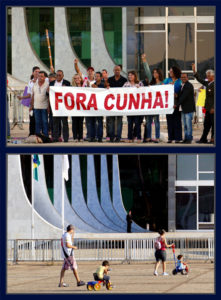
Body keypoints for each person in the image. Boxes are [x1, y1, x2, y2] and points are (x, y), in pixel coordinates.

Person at [192, 64, 214, 144]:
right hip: (208, 108)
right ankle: (203, 139)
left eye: (208, 76)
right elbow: (199, 80)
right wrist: (194, 71)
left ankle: (213, 139)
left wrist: (214, 108)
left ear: (213, 76)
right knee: (206, 125)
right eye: (207, 75)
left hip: (213, 109)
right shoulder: (208, 83)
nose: (207, 77)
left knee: (214, 125)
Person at [74, 59, 95, 140]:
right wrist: (76, 64)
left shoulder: (96, 80)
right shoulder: (85, 79)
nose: (90, 72)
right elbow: (78, 71)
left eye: (91, 71)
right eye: (89, 71)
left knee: (94, 121)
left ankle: (94, 135)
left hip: (95, 103)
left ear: (93, 72)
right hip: (86, 104)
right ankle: (89, 135)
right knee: (87, 121)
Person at [106, 65, 127, 142]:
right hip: (111, 103)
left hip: (120, 104)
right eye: (115, 70)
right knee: (111, 121)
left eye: (118, 70)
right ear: (113, 71)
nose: (117, 71)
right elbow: (106, 88)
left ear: (120, 70)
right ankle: (111, 137)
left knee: (119, 121)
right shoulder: (110, 79)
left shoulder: (124, 80)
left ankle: (118, 137)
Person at [18, 66, 40, 136]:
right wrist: (22, 97)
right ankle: (31, 133)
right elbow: (29, 94)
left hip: (40, 102)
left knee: (39, 119)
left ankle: (39, 133)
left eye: (39, 72)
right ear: (33, 73)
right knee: (32, 118)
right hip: (32, 103)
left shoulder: (42, 80)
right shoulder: (30, 82)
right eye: (36, 72)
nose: (37, 73)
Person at [49, 70, 70, 142]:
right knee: (55, 123)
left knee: (64, 123)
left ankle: (66, 138)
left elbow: (70, 94)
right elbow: (48, 95)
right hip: (55, 106)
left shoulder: (67, 83)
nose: (58, 76)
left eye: (60, 75)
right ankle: (55, 137)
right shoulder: (51, 83)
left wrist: (66, 89)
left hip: (63, 106)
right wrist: (47, 91)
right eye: (57, 75)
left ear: (63, 76)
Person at [123, 71, 144, 143]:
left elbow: (145, 92)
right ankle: (129, 137)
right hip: (129, 107)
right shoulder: (126, 84)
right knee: (130, 123)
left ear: (135, 76)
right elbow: (121, 92)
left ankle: (138, 137)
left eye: (131, 75)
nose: (130, 76)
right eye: (129, 75)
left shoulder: (140, 83)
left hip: (137, 107)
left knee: (137, 123)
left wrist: (140, 89)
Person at [175, 73, 195, 144]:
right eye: (182, 77)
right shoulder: (182, 86)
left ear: (187, 78)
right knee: (185, 125)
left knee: (188, 125)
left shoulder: (189, 85)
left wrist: (176, 104)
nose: (183, 78)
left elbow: (184, 97)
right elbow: (180, 96)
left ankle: (189, 139)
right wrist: (176, 95)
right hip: (183, 109)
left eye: (184, 77)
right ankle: (186, 138)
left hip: (188, 109)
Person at [164, 66, 182, 143]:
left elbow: (182, 91)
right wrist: (168, 86)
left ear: (175, 72)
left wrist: (177, 95)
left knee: (177, 121)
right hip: (168, 103)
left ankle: (178, 138)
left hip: (176, 102)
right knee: (169, 121)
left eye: (172, 71)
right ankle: (170, 138)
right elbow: (161, 88)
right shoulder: (167, 80)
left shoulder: (180, 81)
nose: (170, 73)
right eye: (170, 72)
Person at [30, 71, 49, 137]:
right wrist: (31, 106)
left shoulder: (47, 84)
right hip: (36, 107)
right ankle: (38, 136)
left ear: (45, 77)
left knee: (45, 122)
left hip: (44, 107)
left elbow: (49, 96)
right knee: (37, 122)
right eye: (39, 76)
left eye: (42, 76)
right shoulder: (34, 84)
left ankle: (46, 136)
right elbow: (33, 95)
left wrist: (48, 107)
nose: (40, 78)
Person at [89, 72, 105, 142]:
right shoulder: (92, 84)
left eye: (98, 76)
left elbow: (105, 93)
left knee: (100, 122)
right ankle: (92, 137)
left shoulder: (104, 84)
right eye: (95, 76)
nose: (96, 78)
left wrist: (97, 88)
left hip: (100, 106)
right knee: (92, 122)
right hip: (92, 106)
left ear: (101, 77)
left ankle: (100, 137)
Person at [71, 74, 84, 142]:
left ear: (80, 79)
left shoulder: (84, 86)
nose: (77, 80)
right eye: (75, 78)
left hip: (82, 107)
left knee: (80, 122)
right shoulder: (71, 87)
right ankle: (75, 137)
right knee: (74, 122)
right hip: (74, 107)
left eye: (78, 78)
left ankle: (81, 136)